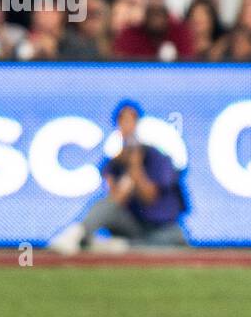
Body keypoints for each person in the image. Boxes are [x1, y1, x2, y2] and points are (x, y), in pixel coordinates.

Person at [48, 101, 187, 253]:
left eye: (132, 121)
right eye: (123, 121)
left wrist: (136, 167)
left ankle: (118, 247)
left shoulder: (157, 158)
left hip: (161, 228)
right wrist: (126, 176)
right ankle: (77, 234)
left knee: (173, 240)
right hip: (132, 227)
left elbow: (149, 197)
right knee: (105, 205)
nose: (128, 126)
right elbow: (113, 202)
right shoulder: (113, 164)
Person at [112, 0, 193, 61]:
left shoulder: (180, 32)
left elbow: (189, 64)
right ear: (145, 14)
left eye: (159, 12)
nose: (156, 18)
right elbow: (121, 65)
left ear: (167, 14)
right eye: (152, 12)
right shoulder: (129, 35)